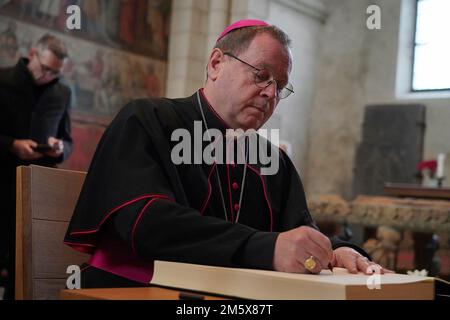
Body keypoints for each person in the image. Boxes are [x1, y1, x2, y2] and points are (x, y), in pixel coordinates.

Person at [64, 20, 388, 289]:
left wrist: (336, 250)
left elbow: (299, 232)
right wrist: (264, 248)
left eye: (281, 85)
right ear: (217, 64)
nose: (271, 93)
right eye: (261, 75)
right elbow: (145, 224)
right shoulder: (148, 119)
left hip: (232, 296)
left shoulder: (271, 159)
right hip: (138, 289)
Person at [0, 34, 73, 299]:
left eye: (56, 73)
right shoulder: (3, 79)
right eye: (45, 69)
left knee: (23, 264)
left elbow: (68, 139)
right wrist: (11, 144)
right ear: (32, 54)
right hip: (2, 182)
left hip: (36, 190)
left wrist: (60, 148)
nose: (49, 77)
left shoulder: (63, 92)